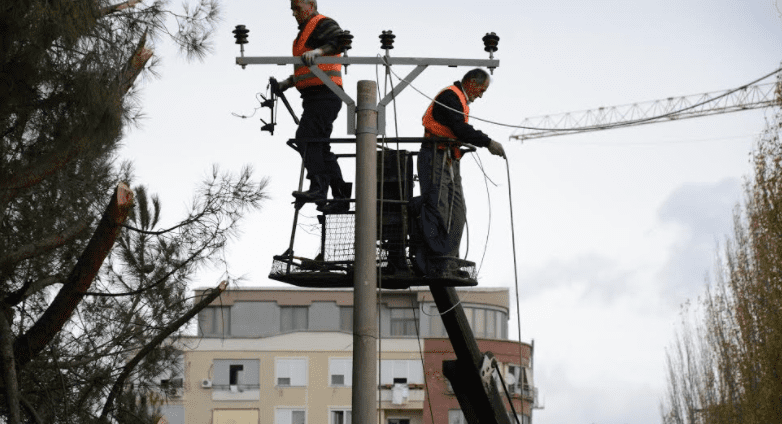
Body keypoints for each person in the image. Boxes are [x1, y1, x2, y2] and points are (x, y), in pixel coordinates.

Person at [415, 68, 506, 277]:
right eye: (481, 90)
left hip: (449, 159)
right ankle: (437, 261)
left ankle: (449, 260)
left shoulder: (458, 100)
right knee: (440, 209)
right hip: (435, 156)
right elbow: (460, 130)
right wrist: (488, 142)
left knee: (458, 212)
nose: (481, 95)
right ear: (471, 83)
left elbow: (458, 130)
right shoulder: (450, 96)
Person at [278, 0, 350, 214]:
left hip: (326, 94)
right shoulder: (302, 35)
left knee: (305, 138)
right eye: (292, 9)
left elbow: (339, 41)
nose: (294, 13)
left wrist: (318, 52)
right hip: (314, 98)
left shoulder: (321, 23)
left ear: (310, 5)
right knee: (319, 145)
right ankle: (341, 195)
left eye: (297, 8)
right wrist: (287, 83)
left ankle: (318, 187)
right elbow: (305, 69)